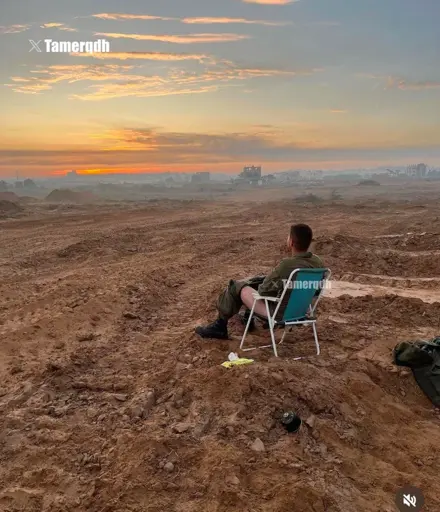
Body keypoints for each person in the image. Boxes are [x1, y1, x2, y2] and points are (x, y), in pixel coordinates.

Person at [195, 223, 324, 340]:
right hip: (300, 311)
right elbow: (316, 290)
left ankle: (220, 326)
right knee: (261, 282)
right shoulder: (317, 262)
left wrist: (268, 283)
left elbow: (263, 290)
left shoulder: (287, 265)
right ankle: (247, 319)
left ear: (291, 242)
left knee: (239, 287)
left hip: (279, 314)